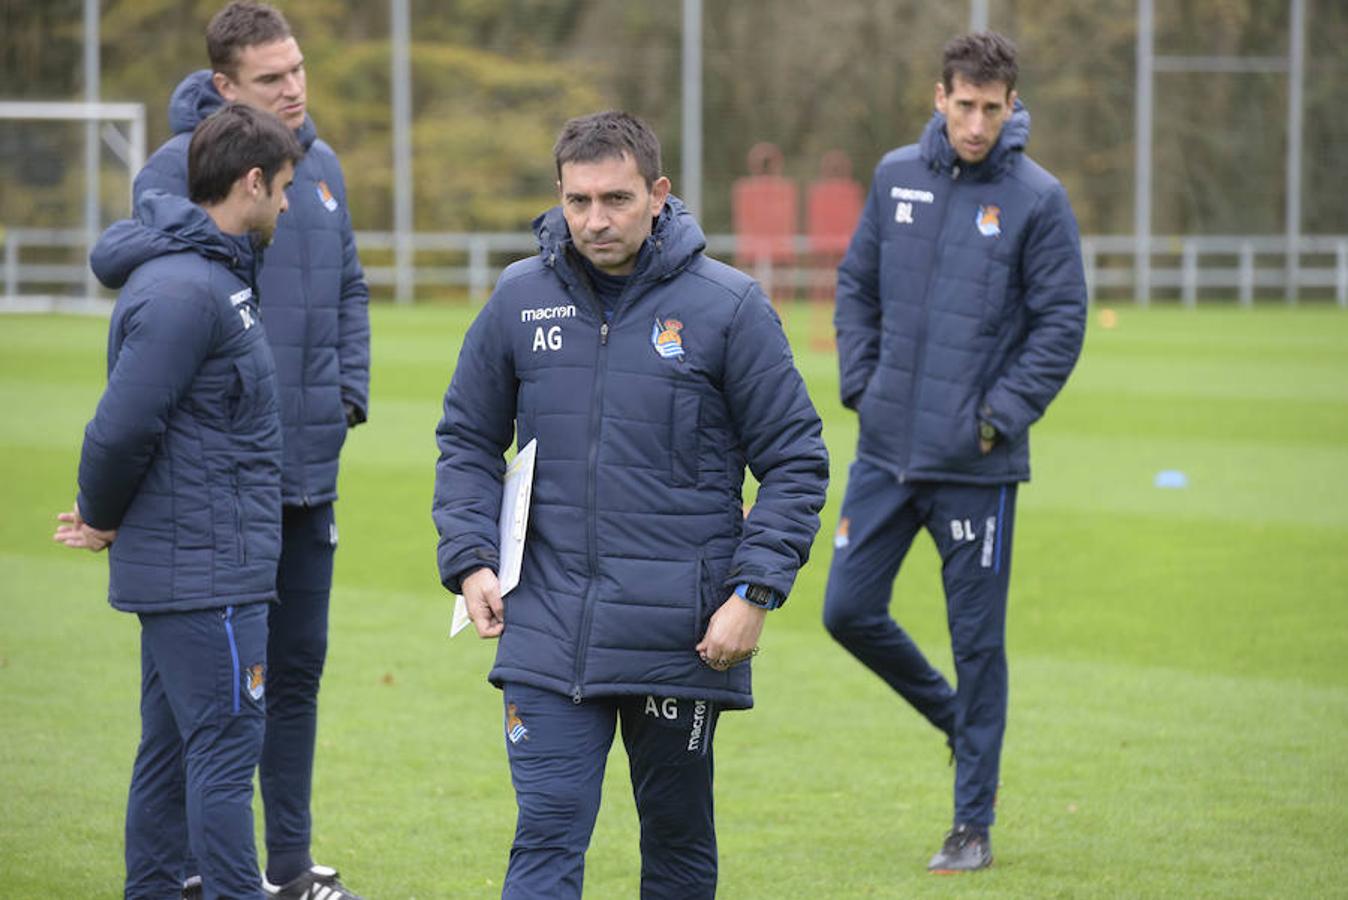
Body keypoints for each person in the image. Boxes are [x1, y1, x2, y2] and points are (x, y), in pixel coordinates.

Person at [433, 110, 828, 899]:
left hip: (679, 637)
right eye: (577, 201)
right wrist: (471, 557)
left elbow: (795, 459)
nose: (594, 220)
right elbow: (468, 440)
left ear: (658, 194)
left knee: (677, 850)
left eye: (614, 199)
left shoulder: (729, 307)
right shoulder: (518, 299)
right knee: (545, 833)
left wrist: (754, 594)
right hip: (546, 627)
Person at [822, 32, 1087, 873]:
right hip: (885, 451)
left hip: (976, 466)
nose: (976, 122)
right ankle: (954, 717)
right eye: (963, 104)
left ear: (1012, 107)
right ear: (940, 97)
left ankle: (971, 825)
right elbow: (856, 284)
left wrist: (995, 418)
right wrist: (862, 380)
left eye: (992, 107)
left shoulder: (1038, 199)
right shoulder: (896, 175)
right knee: (845, 611)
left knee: (979, 646)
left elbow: (1061, 323)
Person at [133, 4, 370, 897]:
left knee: (296, 676)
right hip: (218, 486)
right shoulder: (174, 169)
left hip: (309, 474)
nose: (295, 88)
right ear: (225, 88)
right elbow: (148, 291)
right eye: (272, 79)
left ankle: (289, 864)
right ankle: (180, 874)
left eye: (299, 69)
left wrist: (347, 391)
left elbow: (349, 286)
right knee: (189, 707)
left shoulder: (323, 167)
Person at [53, 103, 300, 900]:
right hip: (207, 577)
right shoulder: (187, 291)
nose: (290, 205)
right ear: (252, 183)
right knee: (227, 752)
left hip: (197, 568)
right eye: (285, 187)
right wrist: (98, 513)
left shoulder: (211, 277)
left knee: (168, 756)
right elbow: (118, 429)